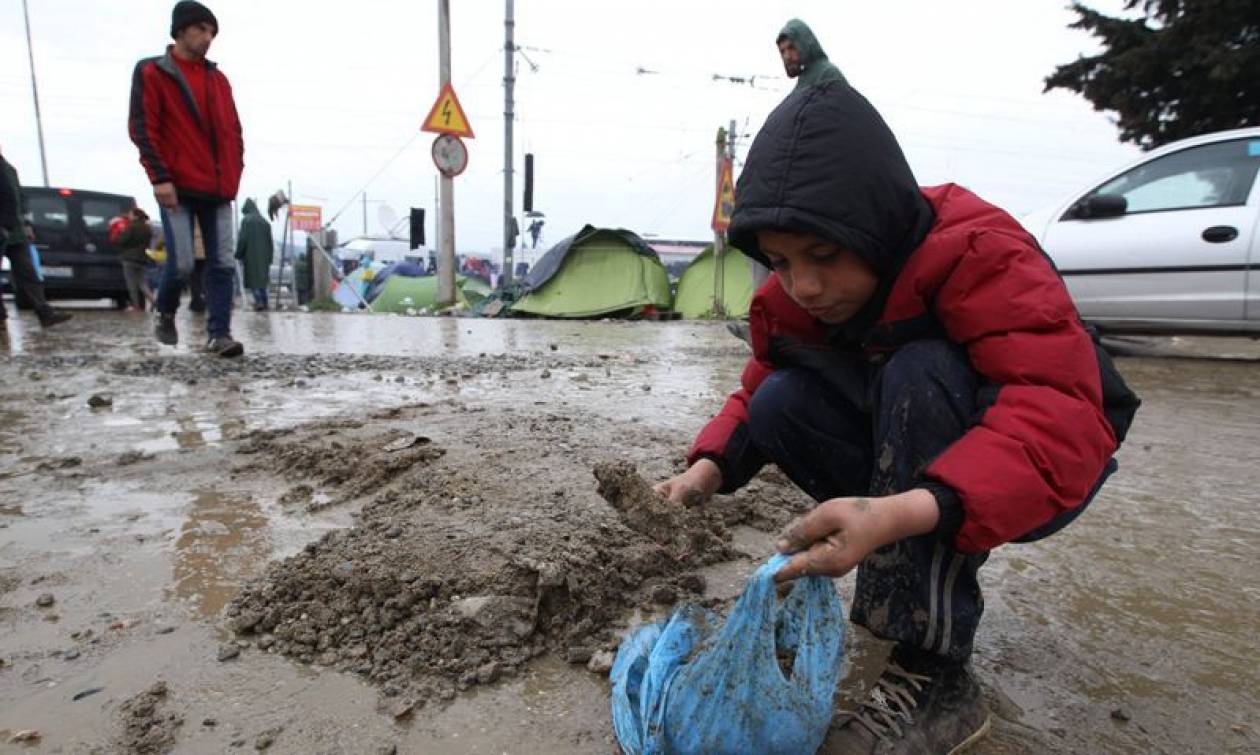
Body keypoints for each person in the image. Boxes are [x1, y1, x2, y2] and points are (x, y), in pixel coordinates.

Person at [654, 81, 1139, 754]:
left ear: (876, 224)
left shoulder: (979, 249)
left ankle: (936, 675)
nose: (804, 285)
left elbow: (1055, 412)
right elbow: (762, 377)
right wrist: (708, 467)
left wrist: (901, 511)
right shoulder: (800, 292)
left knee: (920, 370)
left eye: (823, 256)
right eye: (782, 262)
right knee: (780, 401)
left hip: (1048, 457)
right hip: (924, 444)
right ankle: (913, 576)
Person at [128, 0, 244, 357]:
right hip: (177, 184)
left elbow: (232, 130)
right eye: (201, 30)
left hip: (219, 186)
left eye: (212, 32)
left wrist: (235, 169)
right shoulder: (153, 72)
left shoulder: (218, 80)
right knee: (180, 263)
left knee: (223, 263)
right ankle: (164, 309)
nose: (207, 38)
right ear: (180, 30)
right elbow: (144, 127)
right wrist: (159, 177)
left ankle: (219, 334)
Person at [0, 148, 71, 328]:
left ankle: (44, 312)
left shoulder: (7, 168)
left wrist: (25, 223)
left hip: (14, 230)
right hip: (5, 226)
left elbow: (18, 197)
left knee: (27, 272)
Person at [777, 19, 848, 91]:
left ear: (804, 44)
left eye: (791, 48)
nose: (787, 56)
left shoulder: (828, 74)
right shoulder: (801, 84)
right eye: (782, 51)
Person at [235, 198, 273, 311]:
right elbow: (270, 243)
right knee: (262, 280)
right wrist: (269, 258)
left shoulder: (246, 221)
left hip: (250, 256)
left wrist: (238, 254)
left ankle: (259, 301)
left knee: (253, 281)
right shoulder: (265, 222)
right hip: (264, 257)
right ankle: (265, 302)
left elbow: (242, 239)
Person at [115, 208, 156, 312]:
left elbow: (122, 240)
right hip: (143, 258)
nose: (129, 216)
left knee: (131, 284)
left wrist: (118, 236)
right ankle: (154, 301)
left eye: (131, 214)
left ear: (136, 216)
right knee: (142, 283)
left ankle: (135, 306)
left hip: (129, 258)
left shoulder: (131, 227)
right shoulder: (147, 228)